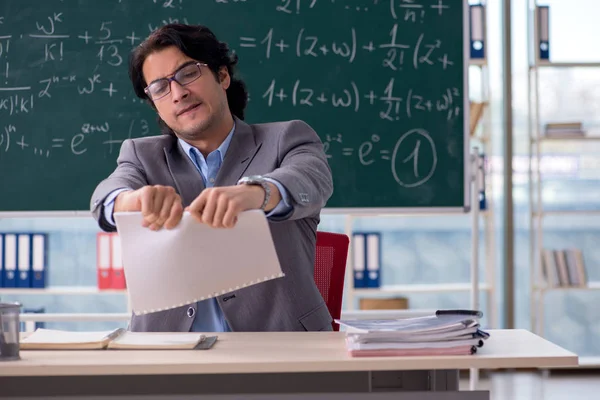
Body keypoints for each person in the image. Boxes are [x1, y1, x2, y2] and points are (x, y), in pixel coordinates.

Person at [89, 24, 334, 333]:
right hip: (167, 358)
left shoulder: (287, 138)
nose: (178, 93)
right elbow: (104, 198)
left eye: (188, 73)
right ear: (155, 104)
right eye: (160, 87)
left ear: (222, 76)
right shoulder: (141, 155)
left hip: (279, 351)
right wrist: (130, 201)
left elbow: (310, 181)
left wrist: (256, 193)